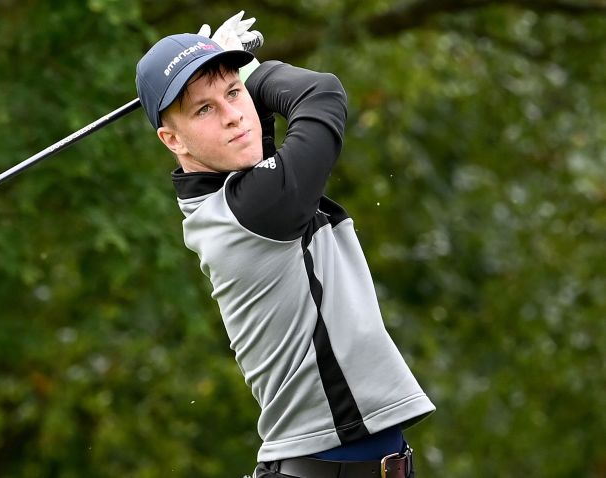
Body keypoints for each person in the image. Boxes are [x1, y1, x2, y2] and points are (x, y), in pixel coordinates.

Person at [135, 12, 435, 478]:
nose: (234, 115)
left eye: (233, 96)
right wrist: (250, 72)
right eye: (203, 110)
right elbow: (323, 95)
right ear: (172, 139)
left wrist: (221, 72)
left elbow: (258, 143)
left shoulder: (227, 198)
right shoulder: (254, 209)